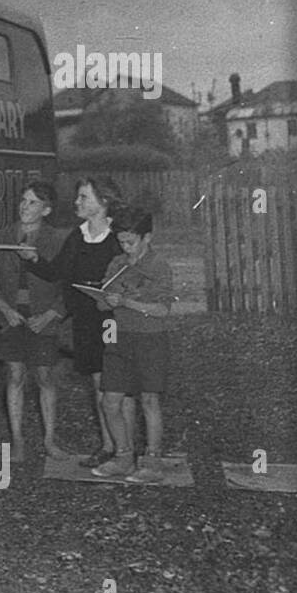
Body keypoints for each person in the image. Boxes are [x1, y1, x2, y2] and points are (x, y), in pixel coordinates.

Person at [18, 176, 133, 467]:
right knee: (97, 383)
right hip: (85, 320)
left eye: (84, 197)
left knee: (119, 386)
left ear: (103, 202)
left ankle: (127, 450)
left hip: (114, 319)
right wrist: (33, 259)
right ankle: (108, 445)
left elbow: (136, 274)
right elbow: (58, 272)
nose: (77, 202)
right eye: (78, 197)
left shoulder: (120, 235)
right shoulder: (77, 236)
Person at [0, 181, 68, 461]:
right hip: (12, 319)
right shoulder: (2, 237)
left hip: (44, 319)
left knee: (44, 377)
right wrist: (4, 309)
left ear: (47, 209)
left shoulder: (57, 240)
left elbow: (68, 284)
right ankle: (17, 440)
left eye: (32, 202)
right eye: (23, 200)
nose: (24, 206)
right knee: (15, 375)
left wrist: (51, 314)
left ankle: (50, 440)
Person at [92, 205, 175, 481]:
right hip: (118, 337)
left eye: (131, 241)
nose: (125, 247)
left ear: (147, 237)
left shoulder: (159, 265)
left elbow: (163, 309)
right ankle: (123, 456)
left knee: (149, 400)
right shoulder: (116, 264)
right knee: (110, 401)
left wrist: (127, 301)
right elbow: (104, 305)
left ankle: (152, 460)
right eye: (121, 241)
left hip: (151, 339)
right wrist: (103, 298)